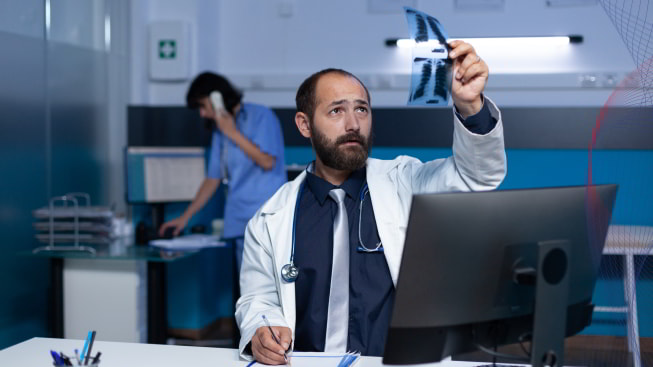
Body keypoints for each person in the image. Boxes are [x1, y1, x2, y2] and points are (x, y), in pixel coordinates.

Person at [235, 40, 506, 364]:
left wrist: (470, 106)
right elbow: (257, 298)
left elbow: (475, 177)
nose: (353, 124)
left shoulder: (405, 180)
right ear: (304, 125)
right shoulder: (270, 219)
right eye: (337, 110)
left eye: (361, 109)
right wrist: (261, 328)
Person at [158, 72, 287, 270]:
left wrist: (232, 132)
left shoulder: (261, 116)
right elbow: (213, 179)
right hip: (239, 218)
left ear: (216, 98)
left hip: (268, 219)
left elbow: (267, 161)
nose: (202, 114)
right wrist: (185, 218)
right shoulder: (220, 131)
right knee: (248, 289)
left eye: (202, 106)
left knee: (271, 289)